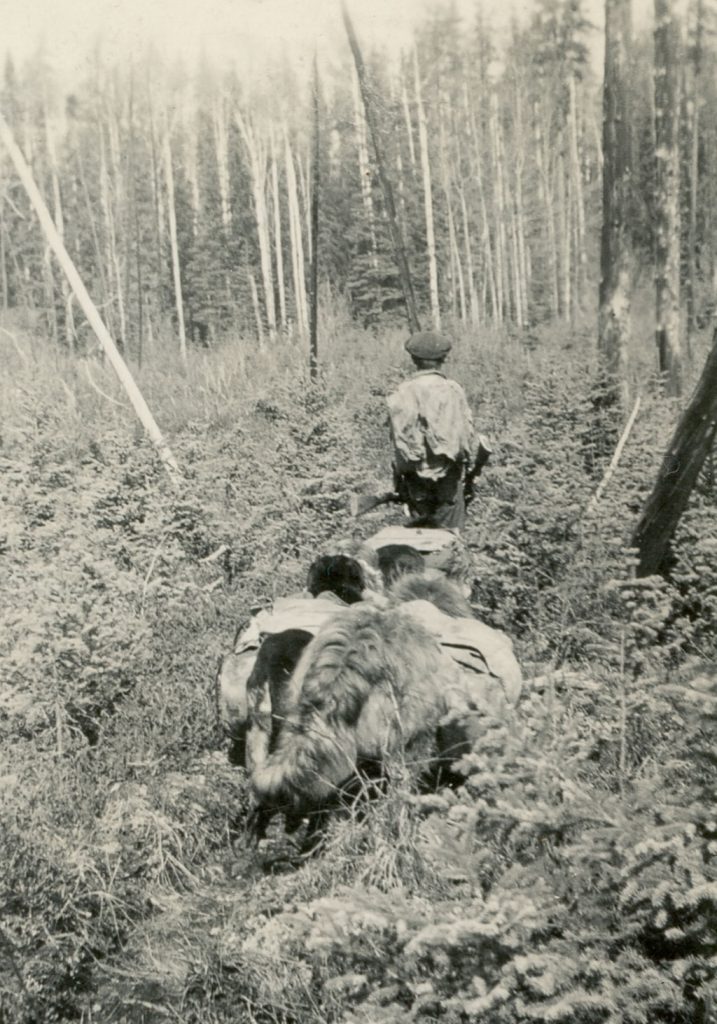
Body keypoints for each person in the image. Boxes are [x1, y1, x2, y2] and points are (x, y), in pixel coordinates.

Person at [387, 330, 476, 531]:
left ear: (413, 359)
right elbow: (466, 435)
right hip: (448, 479)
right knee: (451, 538)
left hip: (415, 478)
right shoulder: (453, 390)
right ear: (443, 358)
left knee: (421, 536)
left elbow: (397, 439)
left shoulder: (402, 392)